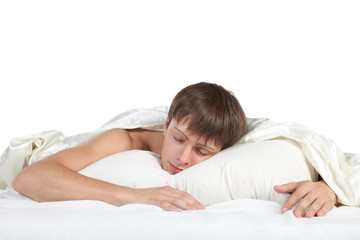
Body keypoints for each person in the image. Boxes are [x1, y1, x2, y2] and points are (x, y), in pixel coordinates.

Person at [13, 82, 338, 217]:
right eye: (179, 138)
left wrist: (328, 187)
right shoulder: (123, 139)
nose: (183, 158)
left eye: (203, 151)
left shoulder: (242, 143)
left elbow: (337, 162)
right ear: (166, 123)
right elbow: (30, 177)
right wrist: (132, 195)